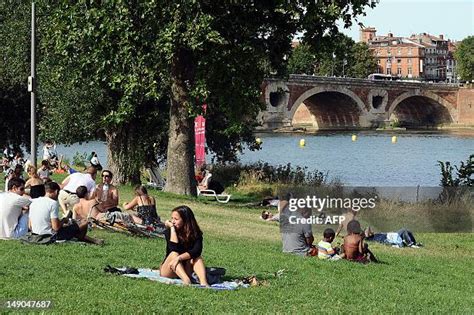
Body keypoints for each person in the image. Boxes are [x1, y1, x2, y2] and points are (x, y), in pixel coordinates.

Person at [29, 182, 103, 245]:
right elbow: (56, 228)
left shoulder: (34, 202)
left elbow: (30, 226)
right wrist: (64, 220)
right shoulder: (53, 203)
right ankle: (82, 240)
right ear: (56, 192)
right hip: (50, 236)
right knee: (84, 222)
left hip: (36, 234)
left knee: (69, 227)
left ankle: (93, 240)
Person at [159, 205, 209, 286]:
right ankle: (186, 280)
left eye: (176, 219)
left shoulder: (196, 233)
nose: (173, 221)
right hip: (170, 268)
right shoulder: (169, 232)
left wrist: (179, 258)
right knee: (174, 254)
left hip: (185, 266)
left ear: (185, 220)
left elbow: (197, 251)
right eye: (172, 218)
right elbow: (173, 248)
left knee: (197, 257)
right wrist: (172, 228)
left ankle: (204, 282)